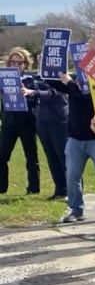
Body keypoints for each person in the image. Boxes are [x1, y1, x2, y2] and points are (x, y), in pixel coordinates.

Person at [53, 72, 95, 224]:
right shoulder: (73, 78)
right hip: (75, 136)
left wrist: (70, 84)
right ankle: (76, 210)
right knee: (72, 173)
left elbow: (87, 95)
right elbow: (54, 84)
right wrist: (46, 68)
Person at [0, 47, 40, 195]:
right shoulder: (3, 78)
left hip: (27, 122)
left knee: (31, 156)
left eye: (19, 62)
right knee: (2, 155)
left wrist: (27, 93)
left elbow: (36, 97)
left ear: (25, 64)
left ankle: (33, 189)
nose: (16, 65)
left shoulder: (30, 79)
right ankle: (1, 187)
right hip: (8, 122)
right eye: (13, 62)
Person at [28, 72, 68, 200]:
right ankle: (60, 189)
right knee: (51, 157)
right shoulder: (38, 77)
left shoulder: (61, 75)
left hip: (59, 121)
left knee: (65, 157)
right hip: (42, 121)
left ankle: (74, 191)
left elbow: (53, 92)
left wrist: (35, 92)